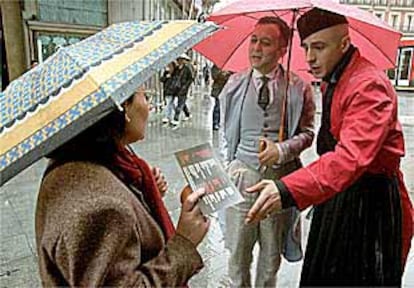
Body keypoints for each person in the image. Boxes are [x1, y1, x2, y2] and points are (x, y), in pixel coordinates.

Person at [245, 8, 414, 287]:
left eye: (319, 47)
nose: (310, 57)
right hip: (339, 191)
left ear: (344, 44)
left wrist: (287, 189)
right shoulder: (335, 75)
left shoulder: (369, 86)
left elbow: (351, 157)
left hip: (369, 203)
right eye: (306, 47)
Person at [35, 87, 210, 287]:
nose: (150, 105)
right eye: (146, 96)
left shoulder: (88, 158)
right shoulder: (100, 208)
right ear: (123, 106)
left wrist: (139, 195)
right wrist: (184, 243)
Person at [218, 16, 315, 287]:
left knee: (270, 259)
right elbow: (225, 132)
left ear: (282, 50)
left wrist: (282, 150)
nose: (256, 48)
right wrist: (232, 166)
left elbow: (308, 134)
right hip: (242, 180)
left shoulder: (299, 88)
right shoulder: (234, 85)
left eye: (266, 42)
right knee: (237, 256)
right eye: (254, 40)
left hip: (280, 183)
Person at [171, 53, 194, 129]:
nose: (180, 61)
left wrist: (185, 86)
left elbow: (190, 78)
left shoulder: (187, 68)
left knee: (180, 103)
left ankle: (176, 118)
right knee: (182, 103)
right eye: (178, 59)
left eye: (181, 60)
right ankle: (188, 114)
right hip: (177, 88)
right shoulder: (177, 68)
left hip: (183, 88)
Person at [210, 64, 231, 131]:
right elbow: (214, 76)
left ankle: (227, 123)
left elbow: (233, 76)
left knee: (228, 107)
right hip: (218, 89)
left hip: (227, 89)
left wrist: (227, 74)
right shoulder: (216, 66)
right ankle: (215, 123)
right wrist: (222, 73)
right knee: (217, 106)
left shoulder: (230, 66)